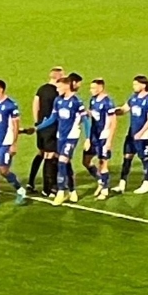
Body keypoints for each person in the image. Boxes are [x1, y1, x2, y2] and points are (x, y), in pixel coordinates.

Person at [34, 78, 89, 206]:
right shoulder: (58, 101)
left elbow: (85, 120)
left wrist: (87, 139)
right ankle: (72, 190)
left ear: (66, 86)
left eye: (59, 87)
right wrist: (37, 127)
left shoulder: (76, 102)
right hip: (61, 137)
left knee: (61, 161)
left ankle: (61, 191)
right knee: (66, 164)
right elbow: (53, 118)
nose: (57, 90)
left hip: (71, 137)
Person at [113, 76, 148, 195]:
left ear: (143, 85)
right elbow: (124, 109)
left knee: (145, 159)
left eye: (136, 84)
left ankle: (146, 183)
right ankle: (122, 184)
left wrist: (141, 133)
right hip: (132, 134)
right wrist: (114, 111)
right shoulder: (133, 98)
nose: (134, 87)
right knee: (127, 157)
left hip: (144, 136)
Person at [0, 79, 26, 206]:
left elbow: (15, 125)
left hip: (6, 142)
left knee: (3, 170)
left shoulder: (11, 105)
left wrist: (14, 143)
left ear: (1, 89)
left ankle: (20, 190)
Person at [27, 67, 62, 196]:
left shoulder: (41, 89)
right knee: (50, 155)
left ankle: (31, 182)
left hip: (41, 126)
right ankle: (49, 188)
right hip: (52, 127)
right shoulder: (58, 92)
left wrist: (37, 122)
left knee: (41, 153)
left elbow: (35, 104)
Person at [82, 79, 116, 201]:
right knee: (86, 161)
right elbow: (93, 115)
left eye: (93, 88)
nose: (91, 90)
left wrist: (109, 141)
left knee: (103, 163)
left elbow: (113, 122)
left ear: (101, 88)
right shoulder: (93, 100)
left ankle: (105, 190)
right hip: (94, 136)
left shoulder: (108, 102)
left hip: (103, 136)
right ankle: (100, 180)